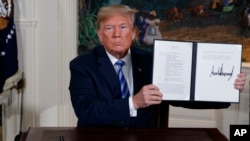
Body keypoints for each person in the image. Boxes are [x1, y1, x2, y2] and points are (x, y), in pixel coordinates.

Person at [69, 4, 247, 128]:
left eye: (123, 27)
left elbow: (183, 95)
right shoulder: (82, 66)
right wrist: (134, 103)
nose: (117, 34)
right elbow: (86, 112)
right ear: (100, 35)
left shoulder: (151, 61)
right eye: (109, 28)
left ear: (132, 34)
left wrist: (227, 89)